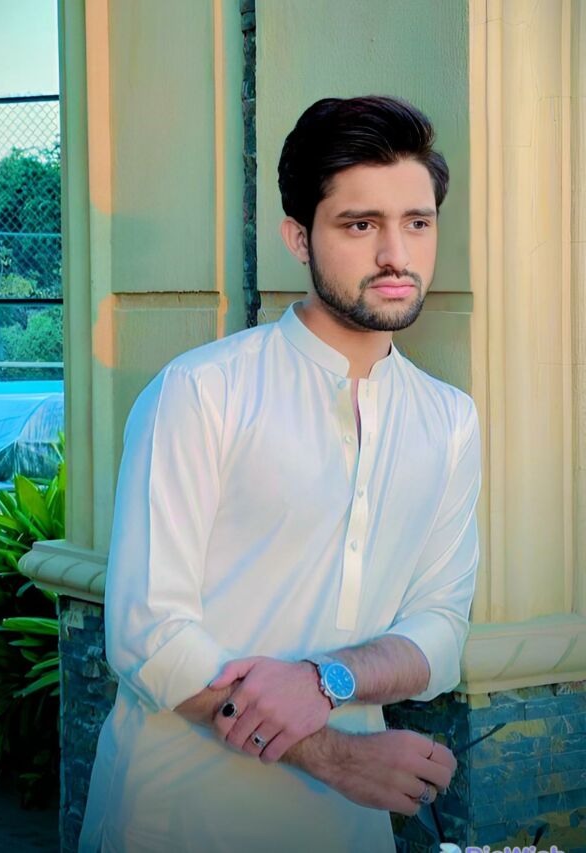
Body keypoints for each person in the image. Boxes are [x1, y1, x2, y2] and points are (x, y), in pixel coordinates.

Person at [79, 94, 481, 853]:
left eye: (417, 223)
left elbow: (440, 631)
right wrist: (338, 756)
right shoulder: (202, 392)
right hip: (177, 815)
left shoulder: (449, 419)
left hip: (347, 825)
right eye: (359, 225)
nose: (395, 254)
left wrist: (328, 679)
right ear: (299, 237)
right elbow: (150, 637)